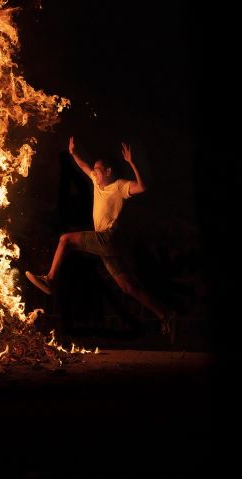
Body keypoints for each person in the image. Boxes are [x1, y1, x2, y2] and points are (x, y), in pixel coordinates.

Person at [25, 136, 176, 337]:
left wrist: (132, 163)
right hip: (107, 245)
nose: (94, 172)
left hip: (108, 238)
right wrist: (73, 153)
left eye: (98, 169)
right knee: (128, 287)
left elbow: (142, 187)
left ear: (108, 171)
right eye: (94, 170)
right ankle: (165, 314)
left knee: (65, 239)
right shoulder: (96, 182)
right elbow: (83, 166)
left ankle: (50, 280)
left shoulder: (120, 186)